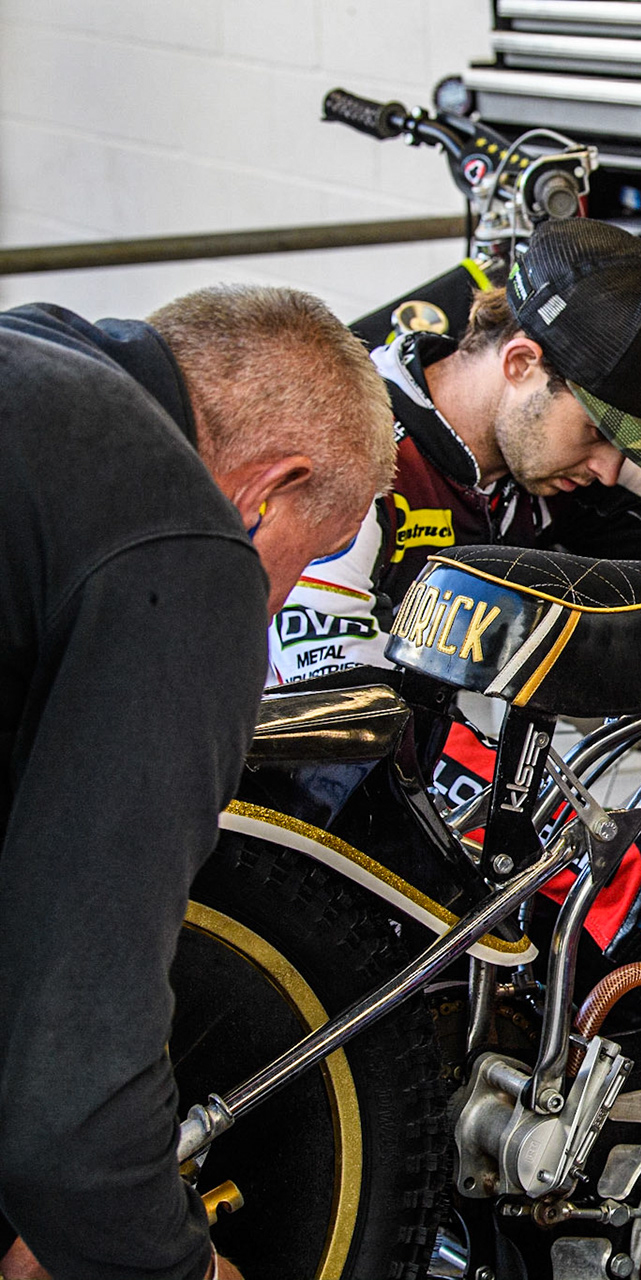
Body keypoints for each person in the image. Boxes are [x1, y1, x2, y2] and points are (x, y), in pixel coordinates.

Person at [0, 286, 395, 1280]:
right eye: (297, 567)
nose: (271, 610)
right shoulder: (185, 543)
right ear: (267, 489)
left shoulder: (35, 361)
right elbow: (72, 1108)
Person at [269, 215, 641, 691]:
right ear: (520, 364)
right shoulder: (359, 456)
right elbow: (339, 702)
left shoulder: (561, 455)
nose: (611, 467)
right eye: (599, 433)